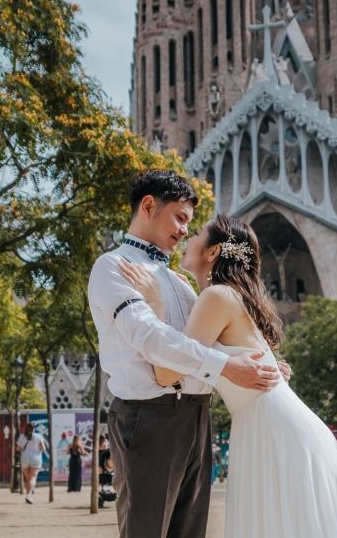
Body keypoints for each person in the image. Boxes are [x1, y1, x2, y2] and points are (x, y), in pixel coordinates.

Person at [118, 212, 337, 538]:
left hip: (271, 429)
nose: (188, 238)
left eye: (196, 234)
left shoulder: (217, 297)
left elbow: (166, 373)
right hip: (272, 424)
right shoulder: (227, 296)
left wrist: (154, 302)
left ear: (212, 252)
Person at [88, 170, 289, 538]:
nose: (184, 231)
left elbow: (201, 341)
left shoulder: (180, 282)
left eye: (190, 224)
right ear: (149, 206)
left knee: (190, 532)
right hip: (150, 418)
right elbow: (151, 338)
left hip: (197, 414)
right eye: (180, 218)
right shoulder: (114, 268)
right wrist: (228, 366)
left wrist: (257, 359)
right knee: (146, 531)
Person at [16, 423, 46, 504]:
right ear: (34, 429)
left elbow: (18, 449)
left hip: (25, 457)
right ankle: (29, 495)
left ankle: (29, 496)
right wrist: (38, 450)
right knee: (33, 477)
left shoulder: (22, 436)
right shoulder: (38, 436)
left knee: (27, 478)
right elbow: (43, 448)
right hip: (36, 457)